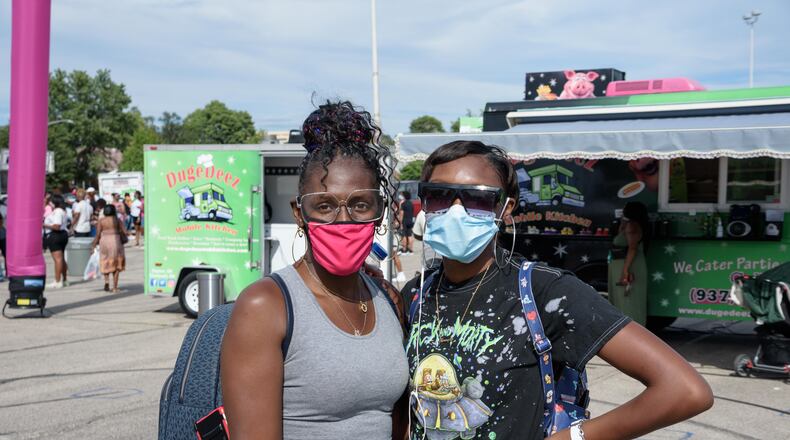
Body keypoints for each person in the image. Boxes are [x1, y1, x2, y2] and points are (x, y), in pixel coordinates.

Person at [405, 141, 712, 440]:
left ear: (505, 208)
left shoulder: (544, 292)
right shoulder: (414, 296)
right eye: (441, 195)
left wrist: (572, 437)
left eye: (477, 198)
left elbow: (684, 390)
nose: (456, 211)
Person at [221, 101, 409, 439]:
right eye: (324, 206)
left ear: (379, 212)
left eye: (359, 204)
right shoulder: (265, 306)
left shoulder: (388, 300)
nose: (343, 219)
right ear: (299, 213)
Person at [608, 201, 649, 326]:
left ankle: (632, 329)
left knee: (628, 301)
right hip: (622, 264)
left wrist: (625, 271)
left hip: (628, 265)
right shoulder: (629, 224)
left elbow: (632, 248)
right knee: (624, 299)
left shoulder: (632, 226)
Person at [92, 204, 127, 293]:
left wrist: (93, 245)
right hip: (115, 241)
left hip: (104, 241)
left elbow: (98, 234)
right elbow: (125, 231)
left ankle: (107, 281)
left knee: (105, 260)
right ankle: (115, 287)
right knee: (116, 263)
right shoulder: (117, 220)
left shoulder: (101, 221)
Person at [43, 194, 70, 288]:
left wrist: (44, 225)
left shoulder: (57, 211)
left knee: (57, 259)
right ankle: (64, 279)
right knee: (61, 258)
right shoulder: (62, 211)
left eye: (51, 201)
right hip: (62, 235)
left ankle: (57, 281)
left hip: (55, 235)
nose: (49, 203)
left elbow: (56, 226)